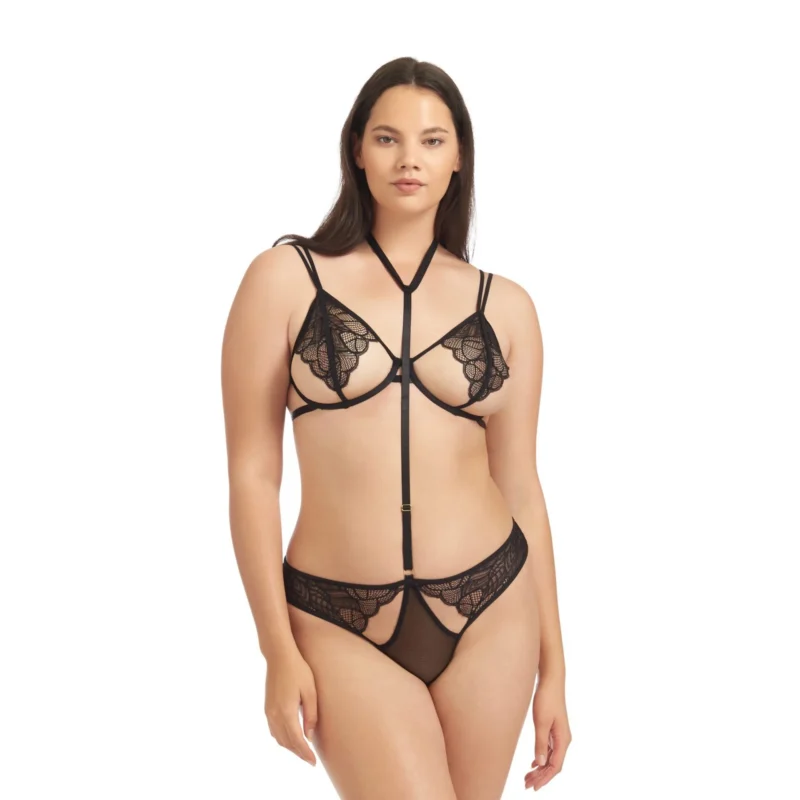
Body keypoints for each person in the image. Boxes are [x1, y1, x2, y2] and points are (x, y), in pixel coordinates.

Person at [221, 56, 571, 798]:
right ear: (357, 149)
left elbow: (521, 488)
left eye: (432, 141)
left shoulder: (507, 307)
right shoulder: (284, 280)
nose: (410, 158)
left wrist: (557, 672)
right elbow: (252, 476)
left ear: (459, 157)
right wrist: (275, 650)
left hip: (493, 606)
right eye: (387, 138)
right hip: (336, 616)